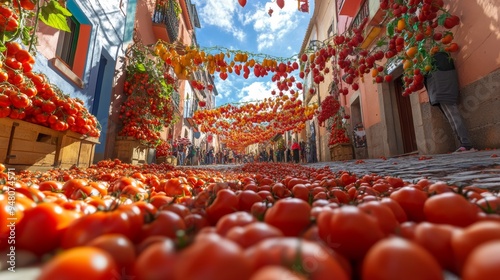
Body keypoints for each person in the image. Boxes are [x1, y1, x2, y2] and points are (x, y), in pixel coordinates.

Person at [424, 52, 476, 153]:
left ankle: (466, 144)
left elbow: (434, 78)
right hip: (442, 92)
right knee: (452, 118)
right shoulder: (442, 60)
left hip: (442, 92)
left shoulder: (436, 61)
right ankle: (464, 144)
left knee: (454, 117)